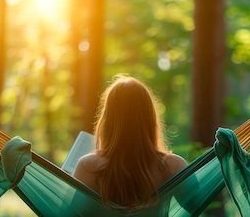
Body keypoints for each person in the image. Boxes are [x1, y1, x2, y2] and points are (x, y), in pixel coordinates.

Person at [74, 75, 187, 209]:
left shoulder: (88, 166)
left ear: (108, 120)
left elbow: (72, 216)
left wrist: (66, 182)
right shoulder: (173, 165)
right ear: (150, 119)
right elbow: (193, 205)